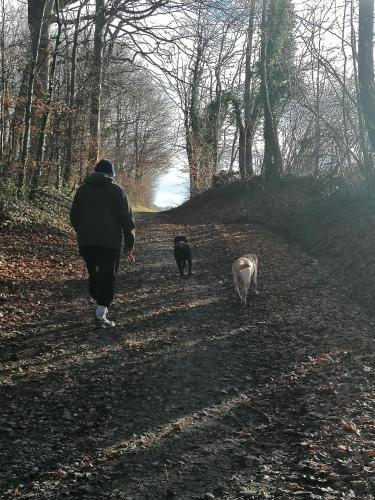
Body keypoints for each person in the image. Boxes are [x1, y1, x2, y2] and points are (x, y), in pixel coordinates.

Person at [70, 159, 135, 328]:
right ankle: (100, 314)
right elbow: (127, 220)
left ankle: (95, 294)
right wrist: (129, 243)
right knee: (107, 275)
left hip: (86, 242)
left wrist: (83, 232)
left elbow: (74, 216)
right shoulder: (118, 191)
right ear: (112, 174)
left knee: (93, 270)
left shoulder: (82, 190)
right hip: (110, 242)